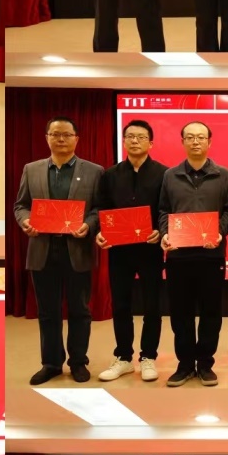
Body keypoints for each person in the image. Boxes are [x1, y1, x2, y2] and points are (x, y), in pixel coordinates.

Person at [13, 116, 103, 385]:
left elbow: (99, 208)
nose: (61, 139)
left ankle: (78, 362)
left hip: (78, 250)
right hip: (43, 249)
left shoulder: (94, 171)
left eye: (66, 134)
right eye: (55, 134)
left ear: (77, 138)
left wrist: (89, 225)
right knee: (48, 312)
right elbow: (21, 205)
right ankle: (51, 363)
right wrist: (25, 221)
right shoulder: (32, 169)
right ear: (47, 138)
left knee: (80, 310)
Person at [157, 121, 228, 387]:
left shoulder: (223, 175)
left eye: (200, 137)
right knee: (180, 313)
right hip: (178, 256)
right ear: (182, 142)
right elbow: (163, 210)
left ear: (209, 142)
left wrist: (220, 232)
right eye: (190, 137)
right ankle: (184, 364)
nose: (195, 141)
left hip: (211, 255)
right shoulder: (170, 176)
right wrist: (165, 232)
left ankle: (205, 364)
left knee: (211, 312)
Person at [96, 119, 168, 383]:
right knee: (121, 304)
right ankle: (123, 357)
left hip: (150, 249)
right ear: (124, 141)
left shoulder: (164, 174)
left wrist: (160, 230)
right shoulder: (110, 175)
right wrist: (100, 232)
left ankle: (148, 356)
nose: (135, 140)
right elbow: (102, 208)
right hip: (120, 250)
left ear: (151, 143)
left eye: (141, 137)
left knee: (152, 305)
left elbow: (167, 210)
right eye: (130, 136)